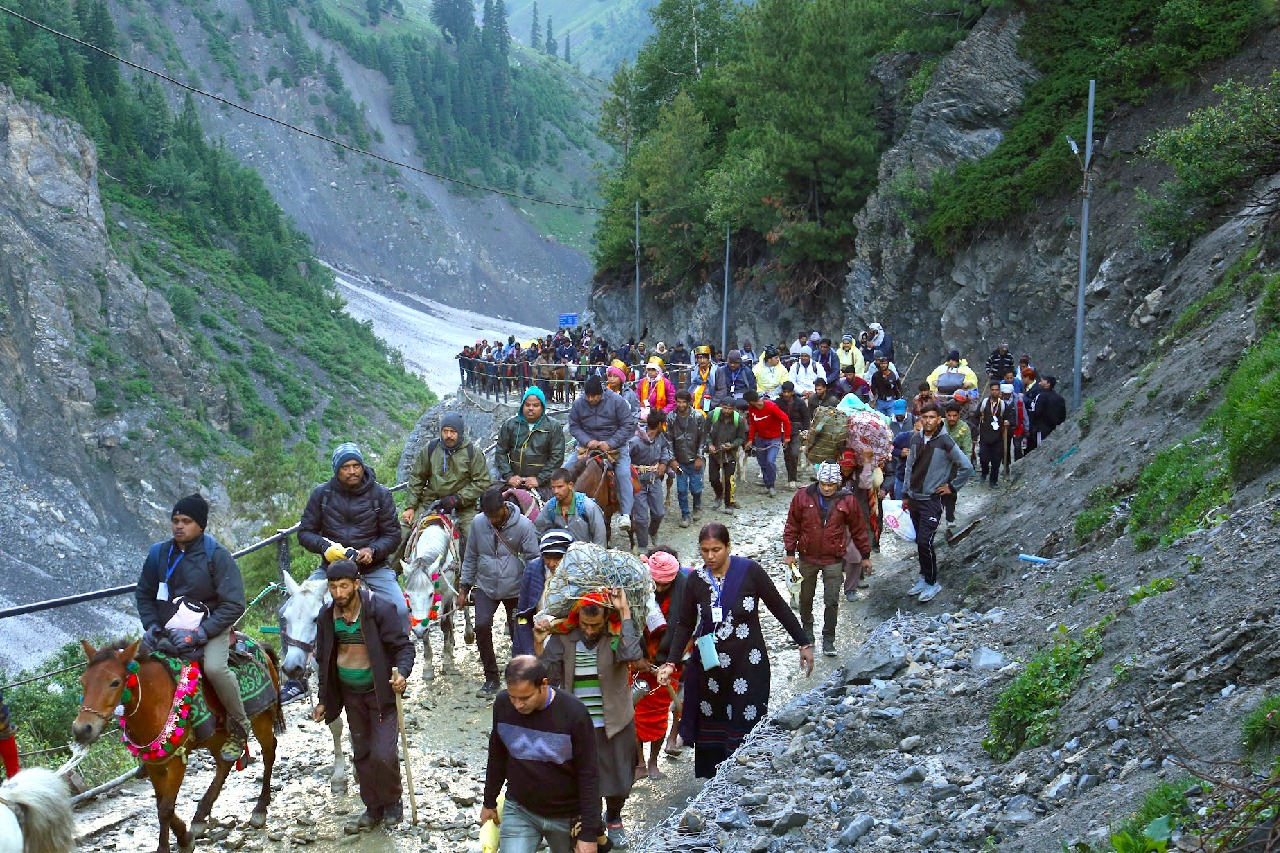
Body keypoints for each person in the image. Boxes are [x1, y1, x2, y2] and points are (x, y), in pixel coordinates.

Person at [656, 524, 813, 777]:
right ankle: (716, 780)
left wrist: (803, 643)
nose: (710, 556)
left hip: (748, 663)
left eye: (716, 550)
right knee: (714, 718)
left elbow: (779, 607)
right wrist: (671, 662)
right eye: (705, 550)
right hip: (712, 668)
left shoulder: (749, 572)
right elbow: (684, 624)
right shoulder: (695, 580)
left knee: (746, 715)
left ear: (728, 547)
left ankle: (746, 775)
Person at [137, 494, 249, 762]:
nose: (179, 526)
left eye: (186, 521)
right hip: (167, 629)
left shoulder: (217, 556)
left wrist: (200, 633)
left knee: (214, 668)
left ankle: (240, 727)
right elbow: (144, 593)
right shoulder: (158, 554)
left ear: (201, 525)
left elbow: (233, 604)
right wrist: (152, 625)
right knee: (135, 668)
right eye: (175, 520)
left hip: (210, 627)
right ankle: (148, 738)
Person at [312, 559, 414, 832]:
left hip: (380, 693)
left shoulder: (379, 609)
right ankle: (372, 807)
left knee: (383, 754)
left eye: (344, 586)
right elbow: (324, 660)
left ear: (356, 584)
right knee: (362, 752)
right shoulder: (327, 616)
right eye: (333, 587)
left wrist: (401, 673)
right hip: (350, 694)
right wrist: (323, 699)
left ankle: (393, 801)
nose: (338, 593)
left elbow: (403, 647)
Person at [540, 588, 642, 849]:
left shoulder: (617, 634)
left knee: (620, 778)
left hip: (616, 721)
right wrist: (540, 642)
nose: (589, 630)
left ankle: (615, 816)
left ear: (606, 619)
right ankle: (594, 827)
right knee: (587, 781)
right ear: (577, 618)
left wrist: (625, 612)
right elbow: (546, 675)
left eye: (595, 625)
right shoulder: (563, 637)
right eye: (585, 624)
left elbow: (632, 655)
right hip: (578, 727)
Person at [481, 656, 601, 853]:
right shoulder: (503, 705)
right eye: (513, 697)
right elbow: (497, 755)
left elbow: (589, 774)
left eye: (525, 698)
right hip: (520, 809)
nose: (518, 705)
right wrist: (489, 802)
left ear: (543, 685)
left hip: (567, 815)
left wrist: (588, 833)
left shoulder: (574, 713)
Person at [299, 443, 406, 626]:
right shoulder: (322, 494)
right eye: (345, 467)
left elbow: (393, 535)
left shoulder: (380, 494)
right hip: (331, 569)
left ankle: (399, 653)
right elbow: (305, 533)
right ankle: (302, 655)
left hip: (373, 569)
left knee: (400, 611)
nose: (352, 471)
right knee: (292, 609)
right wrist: (325, 548)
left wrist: (373, 550)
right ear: (336, 470)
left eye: (356, 466)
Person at [783, 463, 871, 657]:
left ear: (837, 483)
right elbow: (792, 524)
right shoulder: (803, 496)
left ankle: (828, 640)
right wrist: (790, 552)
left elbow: (858, 528)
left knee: (831, 601)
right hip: (807, 557)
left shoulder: (847, 499)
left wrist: (865, 556)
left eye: (832, 484)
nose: (828, 488)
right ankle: (807, 633)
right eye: (824, 483)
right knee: (805, 598)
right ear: (819, 481)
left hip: (834, 559)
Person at [461, 486, 541, 697]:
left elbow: (534, 559)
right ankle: (491, 677)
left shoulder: (524, 526)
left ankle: (522, 676)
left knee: (519, 632)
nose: (492, 520)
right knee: (481, 626)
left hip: (516, 587)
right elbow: (470, 556)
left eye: (495, 515)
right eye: (488, 516)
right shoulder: (479, 523)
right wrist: (464, 587)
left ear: (504, 507)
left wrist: (533, 592)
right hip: (486, 585)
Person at [903, 404, 973, 603]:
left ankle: (933, 582)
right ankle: (924, 577)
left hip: (932, 501)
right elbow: (909, 467)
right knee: (919, 541)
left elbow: (967, 467)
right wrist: (905, 494)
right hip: (914, 498)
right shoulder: (916, 438)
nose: (928, 421)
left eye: (932, 417)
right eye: (924, 417)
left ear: (939, 419)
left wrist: (952, 486)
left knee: (926, 541)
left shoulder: (945, 441)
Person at [403, 413, 491, 563]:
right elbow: (417, 477)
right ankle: (395, 572)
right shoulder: (430, 449)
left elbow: (482, 482)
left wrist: (458, 498)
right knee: (403, 530)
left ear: (460, 433)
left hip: (464, 507)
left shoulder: (472, 452)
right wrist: (411, 506)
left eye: (453, 432)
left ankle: (474, 579)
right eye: (445, 431)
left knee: (474, 537)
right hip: (430, 502)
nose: (448, 435)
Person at [636, 549, 688, 769]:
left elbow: (689, 629)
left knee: (660, 713)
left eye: (664, 585)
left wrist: (671, 661)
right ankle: (639, 762)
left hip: (671, 662)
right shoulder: (636, 590)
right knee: (635, 714)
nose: (658, 589)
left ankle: (653, 762)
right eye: (655, 583)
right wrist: (636, 658)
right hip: (639, 662)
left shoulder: (687, 593)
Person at [569, 375, 637, 532]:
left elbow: (627, 425)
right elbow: (574, 425)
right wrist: (587, 440)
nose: (591, 399)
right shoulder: (579, 403)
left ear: (602, 393)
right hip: (588, 446)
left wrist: (610, 442)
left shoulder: (617, 401)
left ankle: (625, 513)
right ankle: (558, 506)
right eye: (588, 396)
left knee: (623, 474)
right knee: (567, 469)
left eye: (595, 396)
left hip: (614, 445)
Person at [497, 387, 566, 499]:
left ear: (542, 407)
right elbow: (500, 452)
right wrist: (509, 476)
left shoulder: (553, 427)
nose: (531, 408)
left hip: (542, 482)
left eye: (535, 405)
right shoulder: (510, 425)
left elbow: (557, 457)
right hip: (514, 480)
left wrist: (539, 479)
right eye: (527, 405)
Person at [514, 530, 575, 657]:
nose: (552, 563)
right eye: (547, 558)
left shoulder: (578, 573)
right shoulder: (533, 569)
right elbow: (523, 611)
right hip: (538, 633)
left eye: (557, 558)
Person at [627, 411, 673, 551]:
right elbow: (624, 460)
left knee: (659, 512)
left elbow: (665, 448)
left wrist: (664, 463)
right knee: (641, 518)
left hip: (654, 481)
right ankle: (642, 545)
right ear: (659, 425)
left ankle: (652, 532)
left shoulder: (660, 437)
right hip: (638, 483)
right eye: (663, 424)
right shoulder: (635, 442)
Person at [535, 468, 608, 545]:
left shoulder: (587, 506)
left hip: (585, 554)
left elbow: (600, 538)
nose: (556, 491)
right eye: (553, 487)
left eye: (560, 487)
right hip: (560, 554)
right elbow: (537, 531)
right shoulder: (550, 507)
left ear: (570, 485)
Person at [666, 390, 707, 527]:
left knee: (696, 488)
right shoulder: (671, 417)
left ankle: (697, 506)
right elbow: (669, 440)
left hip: (695, 458)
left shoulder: (698, 416)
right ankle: (685, 515)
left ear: (689, 402)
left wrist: (700, 457)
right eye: (678, 401)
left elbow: (703, 438)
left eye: (684, 402)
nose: (681, 404)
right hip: (680, 460)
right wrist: (672, 459)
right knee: (681, 490)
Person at [744, 389, 790, 498]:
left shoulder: (771, 407)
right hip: (760, 439)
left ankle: (772, 485)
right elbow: (752, 424)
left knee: (770, 461)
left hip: (774, 439)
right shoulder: (752, 409)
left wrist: (787, 437)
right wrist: (750, 440)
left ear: (751, 401)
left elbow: (786, 420)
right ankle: (767, 484)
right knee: (762, 463)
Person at [705, 397, 746, 513]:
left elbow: (741, 438)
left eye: (730, 409)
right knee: (713, 478)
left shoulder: (739, 420)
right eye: (725, 408)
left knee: (729, 480)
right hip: (715, 452)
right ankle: (719, 494)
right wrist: (709, 444)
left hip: (730, 453)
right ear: (721, 406)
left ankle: (728, 504)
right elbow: (706, 433)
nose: (727, 411)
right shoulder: (712, 416)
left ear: (734, 409)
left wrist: (732, 445)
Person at [941, 403, 973, 532]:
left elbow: (967, 449)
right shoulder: (939, 424)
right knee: (936, 490)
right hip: (939, 463)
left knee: (951, 491)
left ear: (959, 415)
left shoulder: (964, 428)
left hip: (954, 464)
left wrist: (965, 466)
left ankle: (950, 517)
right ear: (945, 415)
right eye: (949, 415)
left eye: (955, 415)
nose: (952, 418)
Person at [977, 380, 1016, 488]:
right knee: (983, 458)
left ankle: (993, 481)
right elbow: (976, 416)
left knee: (996, 461)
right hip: (985, 437)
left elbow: (1011, 417)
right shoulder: (984, 404)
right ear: (990, 391)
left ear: (1000, 391)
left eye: (997, 390)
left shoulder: (1003, 405)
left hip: (998, 438)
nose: (994, 392)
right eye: (993, 390)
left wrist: (1008, 421)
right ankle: (984, 472)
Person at [777, 381, 810, 490]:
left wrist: (805, 432)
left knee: (794, 453)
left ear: (792, 392)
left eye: (788, 392)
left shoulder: (800, 403)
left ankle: (793, 477)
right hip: (783, 431)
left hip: (797, 431)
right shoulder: (778, 402)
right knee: (787, 455)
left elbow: (806, 418)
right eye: (784, 392)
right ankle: (791, 478)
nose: (786, 394)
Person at [1028, 375, 1067, 451]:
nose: (1041, 381)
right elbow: (1063, 415)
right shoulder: (1059, 398)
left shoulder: (1041, 396)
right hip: (1055, 429)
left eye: (1043, 380)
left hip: (1041, 428)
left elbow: (1036, 412)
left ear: (1048, 384)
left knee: (1040, 449)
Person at [687, 345, 719, 413]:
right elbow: (687, 387)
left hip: (711, 405)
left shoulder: (716, 371)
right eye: (699, 358)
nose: (702, 361)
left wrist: (712, 404)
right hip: (692, 404)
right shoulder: (693, 371)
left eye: (704, 358)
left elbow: (721, 390)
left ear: (709, 358)